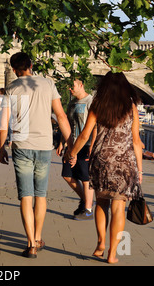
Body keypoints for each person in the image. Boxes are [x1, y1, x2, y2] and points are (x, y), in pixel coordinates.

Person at [0, 52, 73, 258]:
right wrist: (71, 145)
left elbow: (4, 122)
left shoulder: (11, 89)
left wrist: (1, 146)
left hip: (22, 144)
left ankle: (30, 243)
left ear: (14, 70)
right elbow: (61, 115)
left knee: (25, 195)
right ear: (31, 65)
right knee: (41, 194)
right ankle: (38, 237)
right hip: (43, 145)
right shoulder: (48, 84)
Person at [66, 71, 143, 264]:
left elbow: (84, 135)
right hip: (125, 163)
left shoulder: (97, 105)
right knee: (119, 207)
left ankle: (100, 243)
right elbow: (136, 141)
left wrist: (72, 153)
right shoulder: (131, 107)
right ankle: (112, 253)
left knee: (101, 203)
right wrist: (140, 170)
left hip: (101, 160)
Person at [56, 78, 96, 220]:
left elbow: (96, 125)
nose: (70, 90)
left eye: (72, 86)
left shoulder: (91, 101)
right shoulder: (72, 103)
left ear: (81, 85)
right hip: (72, 144)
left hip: (86, 144)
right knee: (67, 175)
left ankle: (88, 210)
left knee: (85, 177)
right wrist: (62, 142)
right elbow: (66, 123)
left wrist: (92, 145)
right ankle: (86, 199)